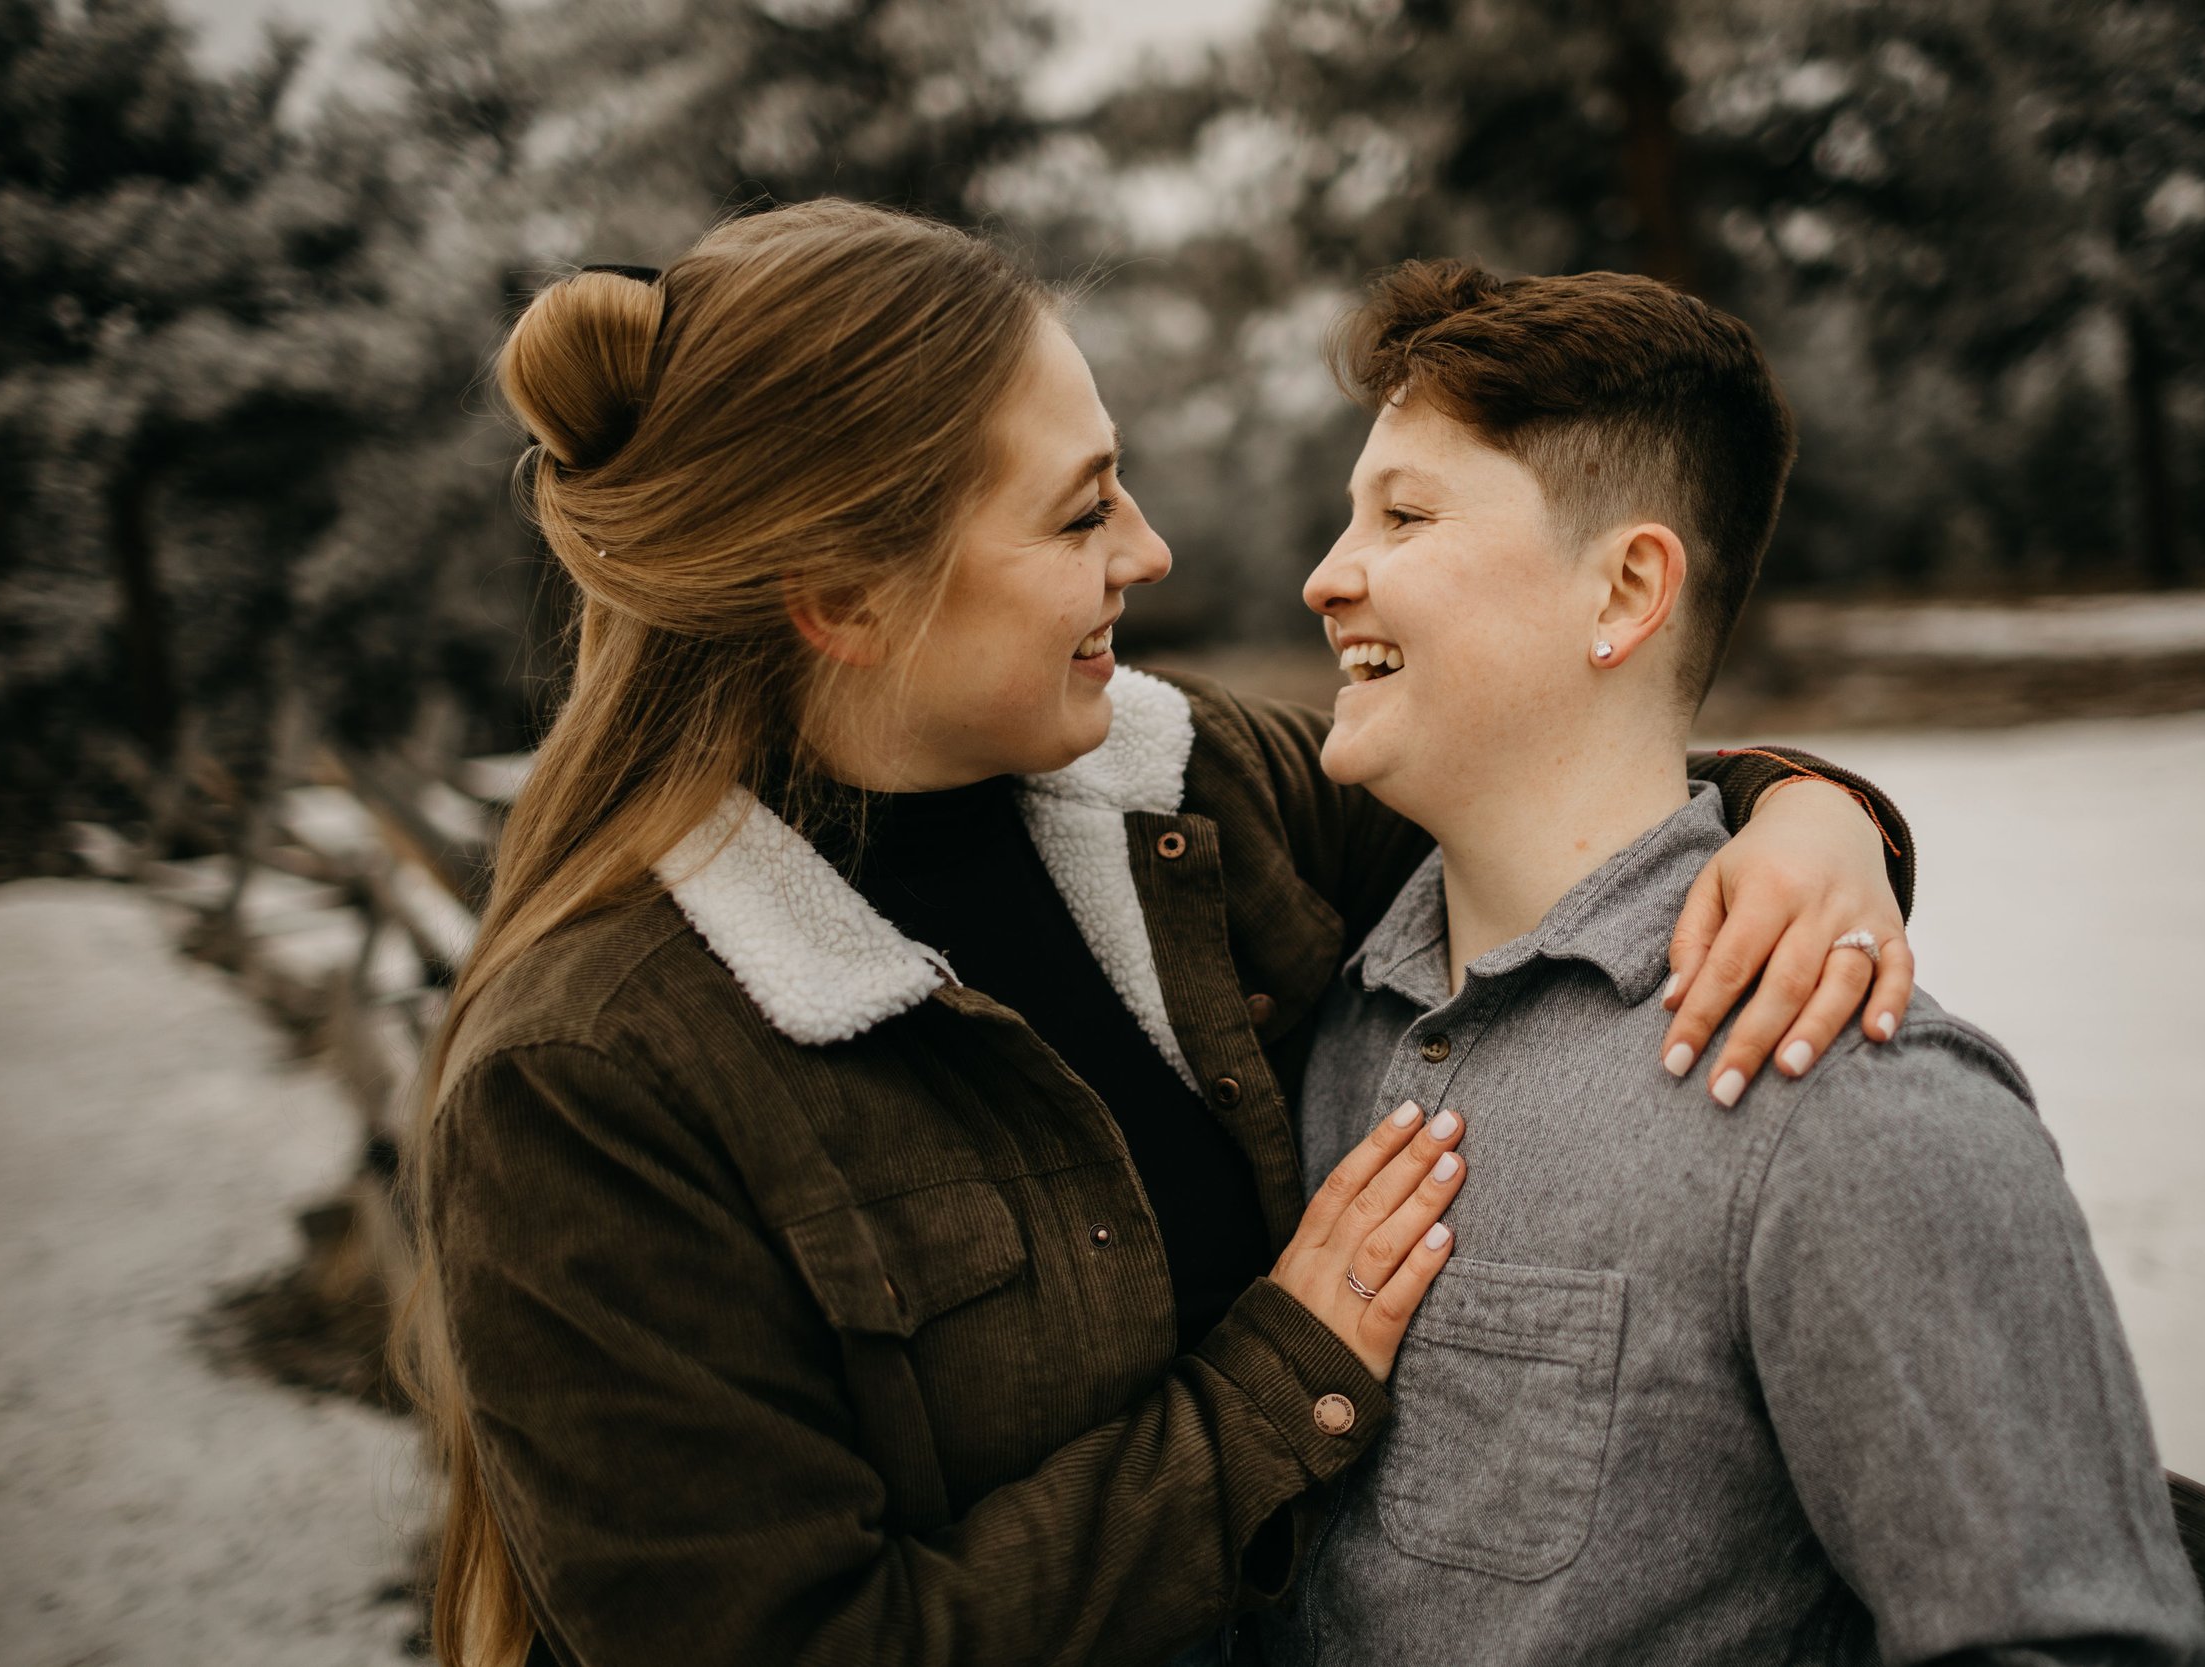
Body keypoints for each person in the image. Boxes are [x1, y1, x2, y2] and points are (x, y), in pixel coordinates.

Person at [399, 200, 1925, 1667]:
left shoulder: (1194, 797)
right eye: (1080, 512)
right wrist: (1282, 1383)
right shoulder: (586, 1082)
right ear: (845, 599)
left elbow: (1563, 802)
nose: (1149, 549)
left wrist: (1808, 812)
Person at [1264, 260, 2205, 1666]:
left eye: (1403, 515)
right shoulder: (1336, 1014)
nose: (1325, 576)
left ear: (1630, 587)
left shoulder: (1844, 1104)